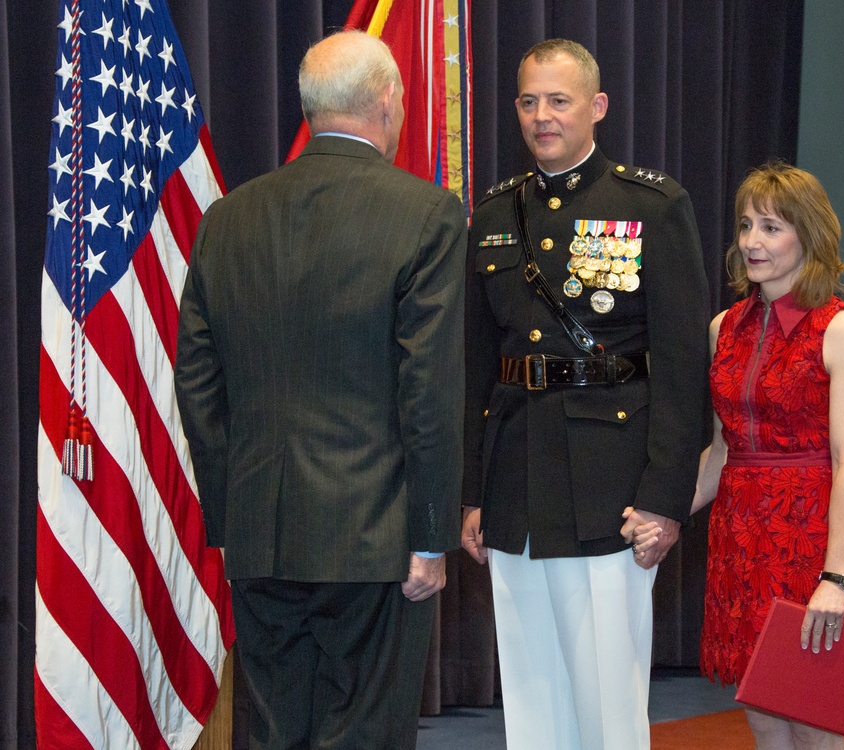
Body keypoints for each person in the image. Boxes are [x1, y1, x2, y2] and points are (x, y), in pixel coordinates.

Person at [174, 30, 467, 750]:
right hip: (377, 537)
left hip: (261, 532)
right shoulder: (424, 214)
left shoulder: (226, 218)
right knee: (363, 732)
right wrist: (431, 535)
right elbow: (426, 392)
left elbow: (198, 387)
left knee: (270, 730)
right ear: (390, 102)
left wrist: (232, 513)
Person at [461, 39, 709, 749]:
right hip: (515, 478)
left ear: (596, 107)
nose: (543, 116)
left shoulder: (650, 206)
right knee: (532, 690)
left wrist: (666, 500)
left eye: (559, 100)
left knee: (607, 691)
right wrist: (470, 491)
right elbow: (476, 365)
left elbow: (683, 365)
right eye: (529, 101)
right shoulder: (494, 213)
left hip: (612, 483)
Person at [688, 162, 844, 749]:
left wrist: (835, 578)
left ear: (809, 235)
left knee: (815, 726)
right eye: (746, 225)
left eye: (771, 227)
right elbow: (723, 452)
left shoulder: (841, 329)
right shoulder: (724, 326)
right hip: (739, 540)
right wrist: (660, 516)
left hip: (809, 544)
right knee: (766, 720)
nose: (752, 241)